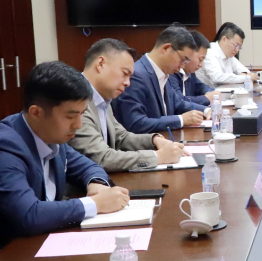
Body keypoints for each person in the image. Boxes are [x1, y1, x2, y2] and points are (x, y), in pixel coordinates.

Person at [0, 62, 131, 251]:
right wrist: (94, 203)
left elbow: (88, 166)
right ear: (36, 112)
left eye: (82, 114)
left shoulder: (50, 135)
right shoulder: (1, 150)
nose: (78, 125)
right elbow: (29, 215)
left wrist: (96, 183)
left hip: (38, 244)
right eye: (70, 116)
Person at [70, 38, 188, 172]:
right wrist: (157, 156)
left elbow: (121, 137)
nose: (128, 83)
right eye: (125, 74)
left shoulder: (102, 97)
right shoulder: (75, 99)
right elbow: (102, 158)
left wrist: (154, 140)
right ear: (100, 64)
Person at [112, 25, 211, 134]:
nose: (182, 66)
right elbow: (136, 123)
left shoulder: (164, 72)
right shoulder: (136, 75)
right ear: (166, 48)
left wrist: (206, 111)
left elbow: (179, 104)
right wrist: (180, 120)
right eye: (183, 59)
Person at [198, 22, 258, 87]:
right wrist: (245, 77)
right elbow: (217, 77)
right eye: (236, 45)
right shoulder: (210, 51)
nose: (237, 50)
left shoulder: (228, 55)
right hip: (206, 92)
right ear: (224, 39)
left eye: (239, 47)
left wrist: (245, 74)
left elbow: (241, 68)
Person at [169, 31, 218, 106]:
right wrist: (207, 99)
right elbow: (179, 101)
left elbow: (200, 86)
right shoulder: (172, 72)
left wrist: (211, 93)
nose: (201, 65)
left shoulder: (190, 72)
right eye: (200, 59)